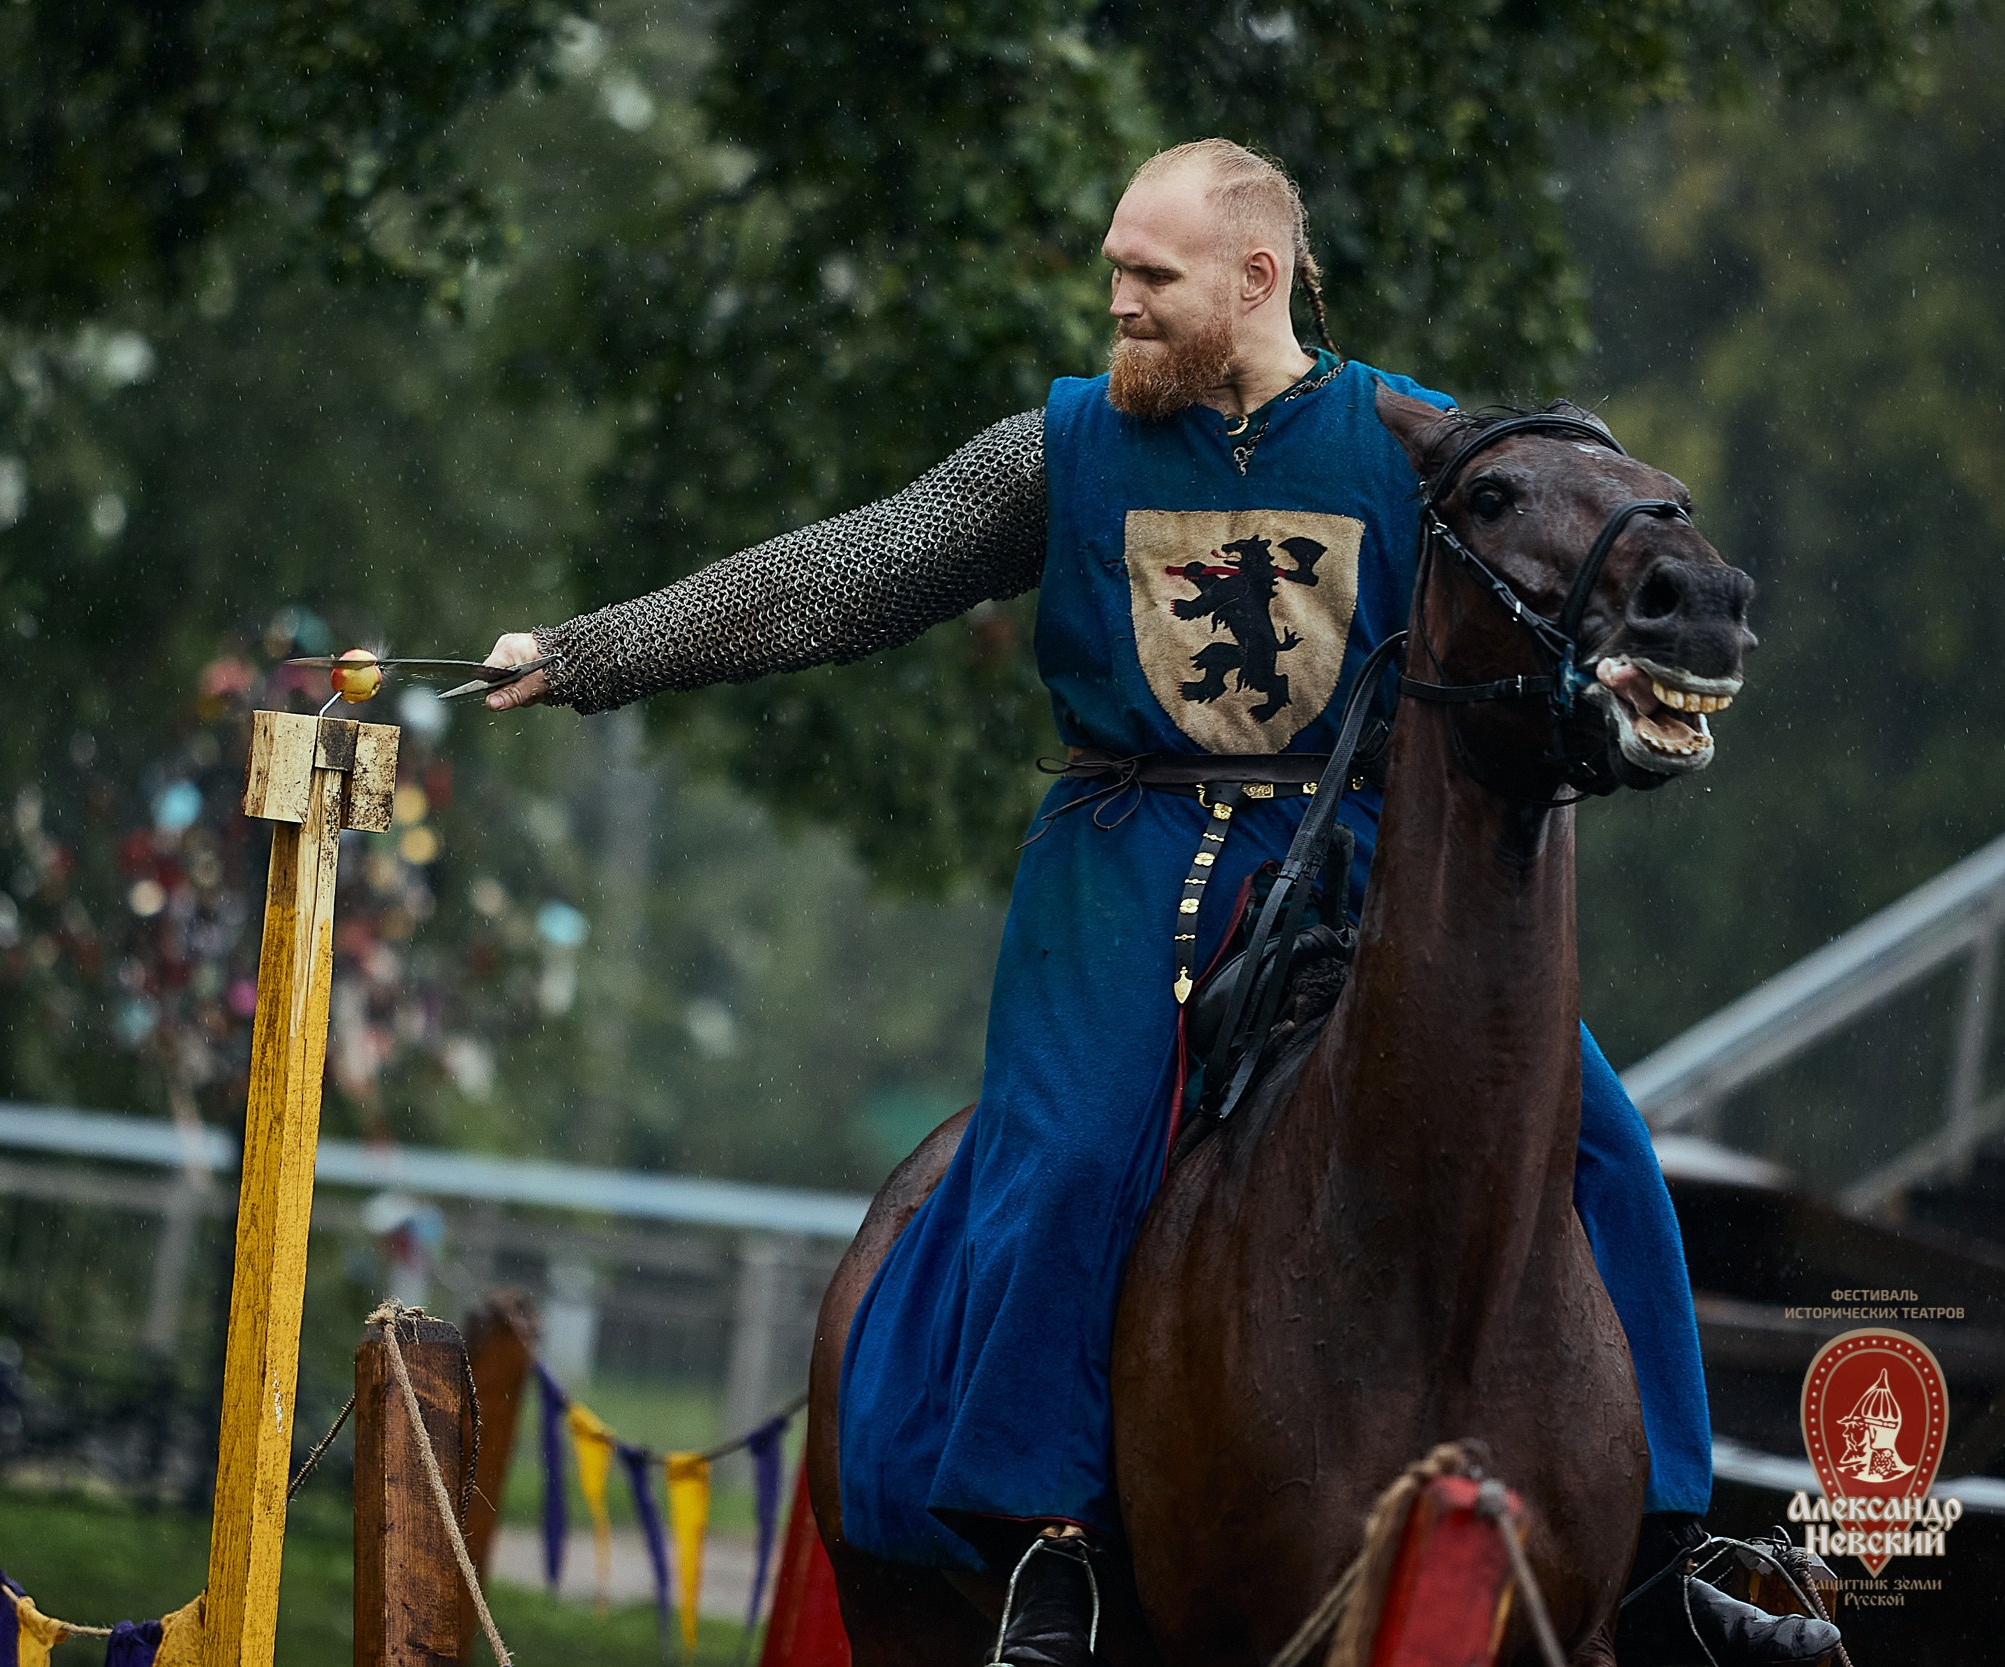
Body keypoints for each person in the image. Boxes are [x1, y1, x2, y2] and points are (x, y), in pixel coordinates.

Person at [484, 141, 1835, 1667]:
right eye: (1117, 270)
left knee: (1604, 1146)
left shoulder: (1420, 446)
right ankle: (1048, 1554)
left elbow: (1577, 573)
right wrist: (597, 652)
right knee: (1066, 1155)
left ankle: (1658, 1558)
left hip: (1360, 866)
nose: (1117, 301)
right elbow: (847, 573)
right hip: (1122, 867)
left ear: (1257, 278)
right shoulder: (1057, 451)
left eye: (1150, 277)